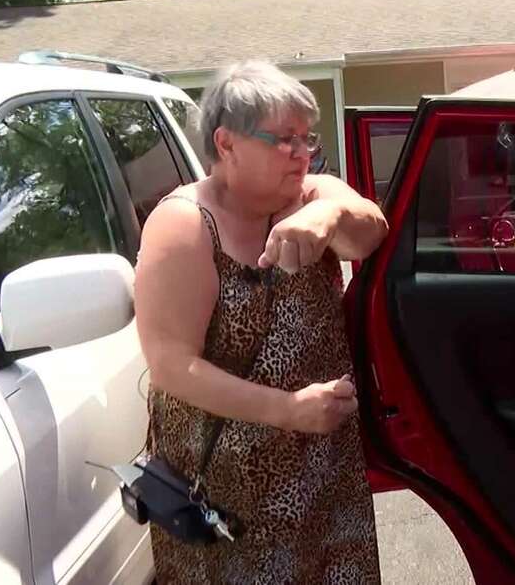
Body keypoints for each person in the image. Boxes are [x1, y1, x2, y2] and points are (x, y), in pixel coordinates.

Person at [135, 60, 389, 583]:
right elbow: (171, 366)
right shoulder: (184, 225)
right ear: (226, 144)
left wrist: (330, 215)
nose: (303, 153)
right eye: (284, 140)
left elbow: (371, 231)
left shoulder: (311, 194)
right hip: (229, 501)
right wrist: (290, 411)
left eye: (306, 138)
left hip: (323, 475)